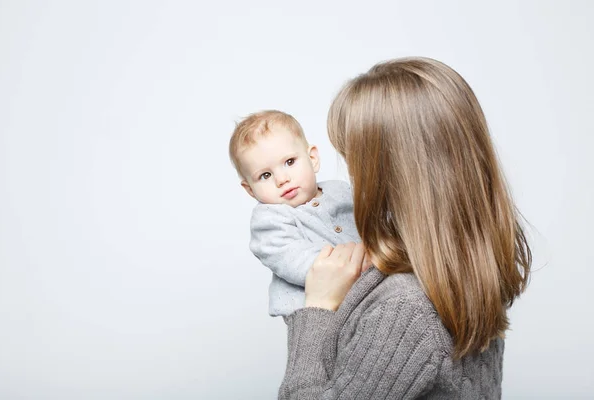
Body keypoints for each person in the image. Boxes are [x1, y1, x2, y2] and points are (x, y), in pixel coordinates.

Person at [278, 57, 532, 399]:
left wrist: (317, 309)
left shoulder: (405, 308)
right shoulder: (468, 266)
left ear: (389, 173)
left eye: (355, 160)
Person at [228, 110, 364, 317]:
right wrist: (355, 265)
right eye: (265, 175)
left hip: (362, 291)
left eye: (289, 162)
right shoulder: (268, 221)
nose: (282, 179)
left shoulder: (340, 190)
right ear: (250, 189)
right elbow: (297, 260)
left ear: (312, 159)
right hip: (317, 308)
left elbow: (371, 221)